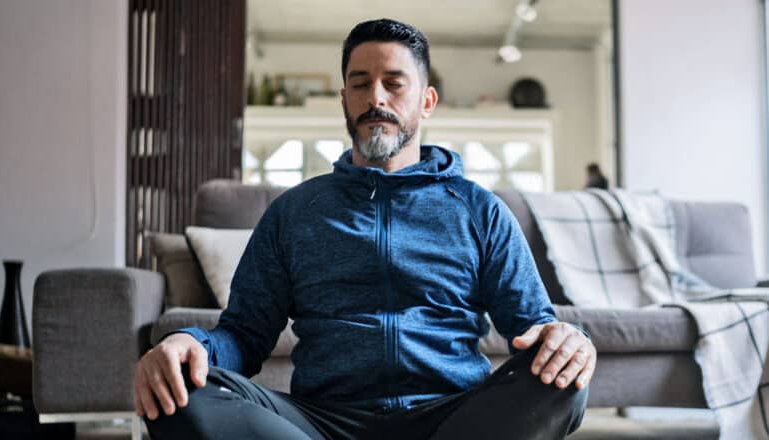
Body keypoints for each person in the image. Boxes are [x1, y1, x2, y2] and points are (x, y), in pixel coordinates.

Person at [134, 18, 596, 440]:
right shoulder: (294, 213)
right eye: (361, 84)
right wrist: (187, 342)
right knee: (178, 390)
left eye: (394, 84)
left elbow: (535, 328)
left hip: (452, 419)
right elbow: (243, 335)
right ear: (344, 100)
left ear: (427, 101)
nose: (376, 98)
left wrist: (570, 341)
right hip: (321, 422)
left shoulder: (480, 211)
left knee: (562, 377)